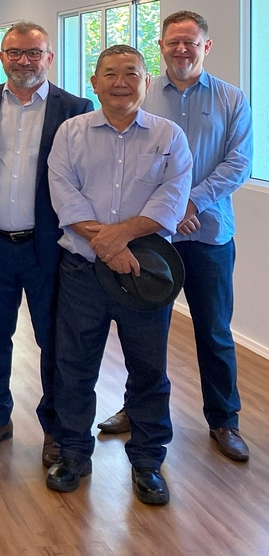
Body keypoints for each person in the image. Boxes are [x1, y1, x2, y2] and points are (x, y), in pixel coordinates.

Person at [97, 11, 253, 463]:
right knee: (144, 332)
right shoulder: (141, 93)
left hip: (208, 235)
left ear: (206, 46)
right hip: (151, 236)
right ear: (161, 46)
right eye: (173, 42)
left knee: (214, 331)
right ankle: (136, 408)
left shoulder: (231, 98)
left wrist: (191, 203)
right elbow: (128, 161)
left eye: (190, 42)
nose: (181, 49)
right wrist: (165, 210)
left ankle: (224, 420)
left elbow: (239, 162)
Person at [46, 45, 193, 506]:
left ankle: (148, 461)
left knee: (148, 371)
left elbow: (171, 199)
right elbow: (64, 195)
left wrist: (120, 239)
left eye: (131, 73)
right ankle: (73, 454)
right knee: (74, 367)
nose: (120, 82)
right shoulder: (71, 132)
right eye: (109, 73)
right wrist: (111, 248)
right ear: (94, 83)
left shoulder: (169, 136)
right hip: (82, 273)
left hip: (145, 274)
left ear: (147, 82)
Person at [0, 22, 93, 468]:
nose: (24, 61)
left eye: (34, 53)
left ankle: (55, 429)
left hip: (49, 248)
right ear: (2, 56)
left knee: (53, 342)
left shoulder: (75, 108)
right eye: (15, 52)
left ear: (49, 57)